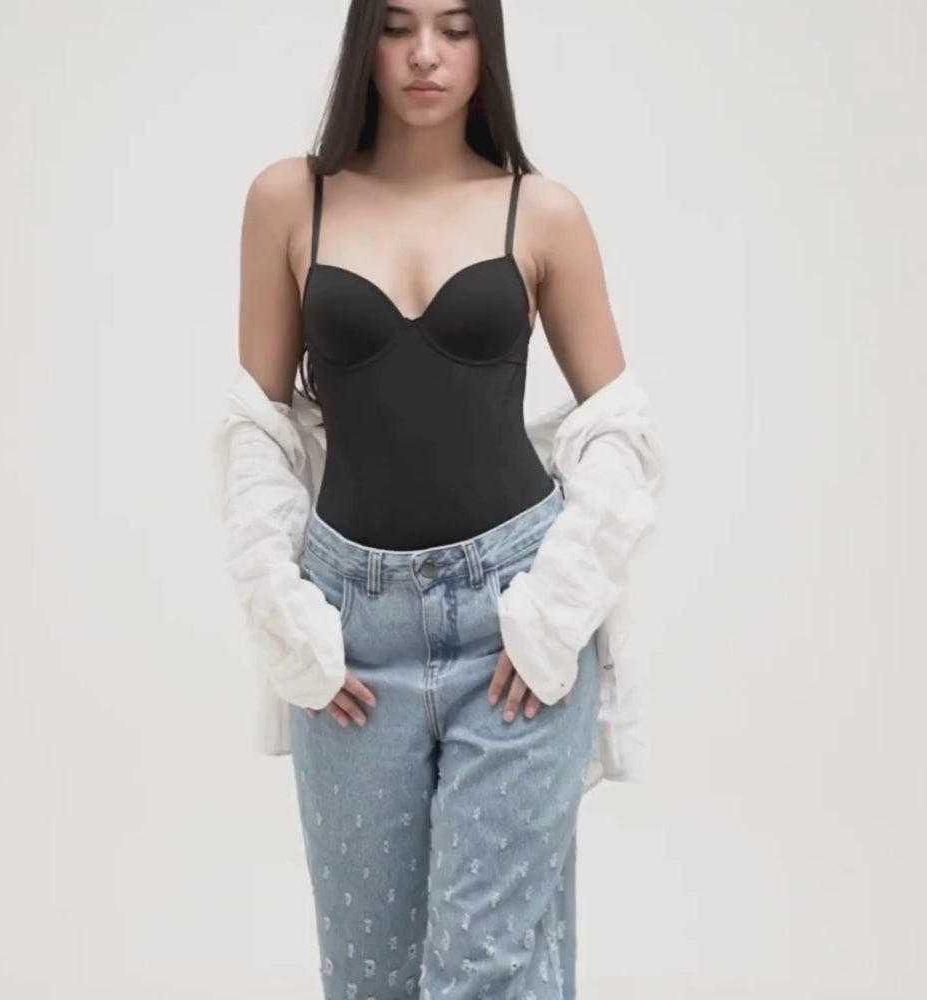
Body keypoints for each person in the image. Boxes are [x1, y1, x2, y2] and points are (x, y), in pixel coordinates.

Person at [231, 2, 655, 997]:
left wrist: (554, 611)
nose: (426, 54)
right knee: (369, 976)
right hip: (351, 635)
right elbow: (259, 426)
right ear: (364, 41)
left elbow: (618, 428)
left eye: (456, 27)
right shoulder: (290, 201)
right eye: (399, 25)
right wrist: (285, 614)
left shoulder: (540, 211)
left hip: (513, 630)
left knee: (486, 970)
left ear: (484, 46)